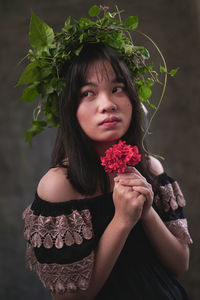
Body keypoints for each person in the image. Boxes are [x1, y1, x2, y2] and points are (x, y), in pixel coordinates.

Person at [22, 8, 192, 300]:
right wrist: (123, 219)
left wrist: (146, 210)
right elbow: (69, 298)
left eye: (118, 88)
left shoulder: (151, 167)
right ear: (70, 110)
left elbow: (180, 265)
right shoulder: (59, 186)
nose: (107, 104)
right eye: (88, 93)